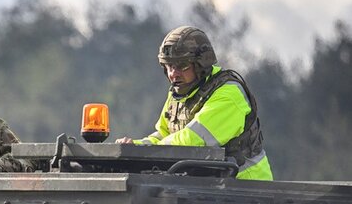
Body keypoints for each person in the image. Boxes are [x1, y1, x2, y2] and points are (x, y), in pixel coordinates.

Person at [116, 26, 273, 180]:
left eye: (182, 66)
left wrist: (145, 152)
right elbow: (163, 135)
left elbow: (193, 140)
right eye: (169, 66)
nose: (173, 74)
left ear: (201, 65)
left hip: (246, 190)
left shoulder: (229, 94)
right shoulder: (179, 94)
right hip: (209, 187)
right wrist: (134, 147)